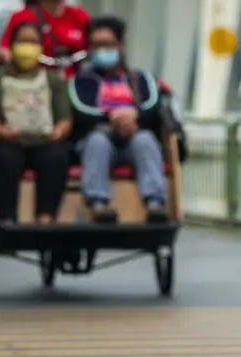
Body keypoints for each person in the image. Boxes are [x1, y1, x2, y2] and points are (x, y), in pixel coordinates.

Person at [67, 16, 170, 222]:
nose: (102, 50)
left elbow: (153, 105)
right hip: (97, 139)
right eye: (96, 45)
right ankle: (98, 204)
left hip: (134, 136)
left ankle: (155, 204)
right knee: (98, 142)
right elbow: (81, 110)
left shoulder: (142, 78)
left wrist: (135, 116)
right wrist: (112, 118)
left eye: (108, 44)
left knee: (145, 141)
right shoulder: (81, 81)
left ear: (121, 46)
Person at [0, 21, 74, 223]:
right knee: (5, 158)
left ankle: (46, 217)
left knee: (57, 157)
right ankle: (7, 218)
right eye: (23, 42)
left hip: (45, 141)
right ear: (12, 46)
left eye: (33, 43)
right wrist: (0, 131)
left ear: (40, 47)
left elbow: (64, 119)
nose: (28, 48)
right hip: (10, 141)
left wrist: (58, 132)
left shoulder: (53, 80)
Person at [0, 0, 92, 74]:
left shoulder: (80, 15)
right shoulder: (22, 17)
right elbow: (4, 50)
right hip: (36, 83)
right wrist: (4, 55)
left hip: (76, 82)